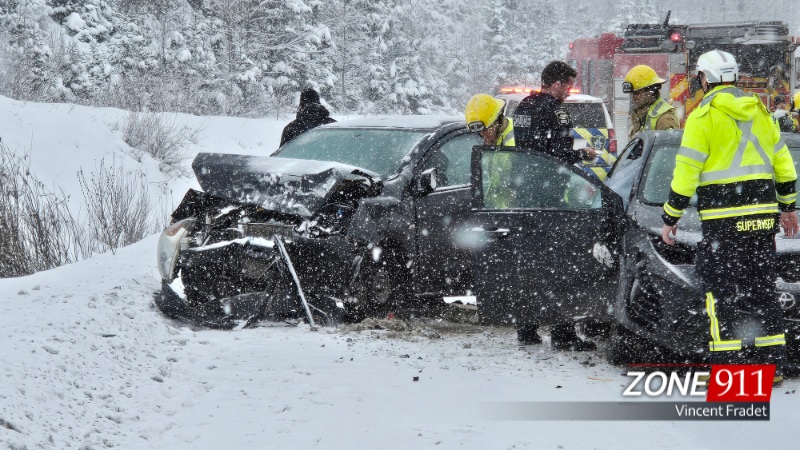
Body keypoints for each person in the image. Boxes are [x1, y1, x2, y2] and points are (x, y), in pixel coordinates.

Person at [661, 50, 799, 386]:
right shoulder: (760, 111)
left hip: (723, 220)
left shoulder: (703, 115)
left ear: (705, 78)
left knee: (720, 292)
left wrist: (671, 214)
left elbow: (687, 169)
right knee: (762, 289)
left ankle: (727, 369)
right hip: (762, 218)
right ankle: (772, 368)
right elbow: (783, 163)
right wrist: (789, 207)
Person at [511, 60, 597, 351]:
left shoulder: (523, 107)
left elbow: (529, 147)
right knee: (562, 267)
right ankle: (563, 334)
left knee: (528, 266)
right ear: (557, 83)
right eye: (568, 85)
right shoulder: (554, 109)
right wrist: (581, 154)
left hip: (525, 196)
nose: (569, 92)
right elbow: (559, 150)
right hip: (550, 199)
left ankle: (526, 329)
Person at [464, 93, 515, 208]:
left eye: (486, 130)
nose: (483, 134)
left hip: (511, 210)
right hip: (494, 209)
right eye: (479, 132)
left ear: (497, 121)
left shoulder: (515, 139)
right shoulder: (491, 140)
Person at [623, 65, 680, 139]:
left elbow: (669, 148)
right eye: (633, 93)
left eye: (638, 93)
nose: (634, 97)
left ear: (650, 91)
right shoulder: (639, 115)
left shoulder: (664, 118)